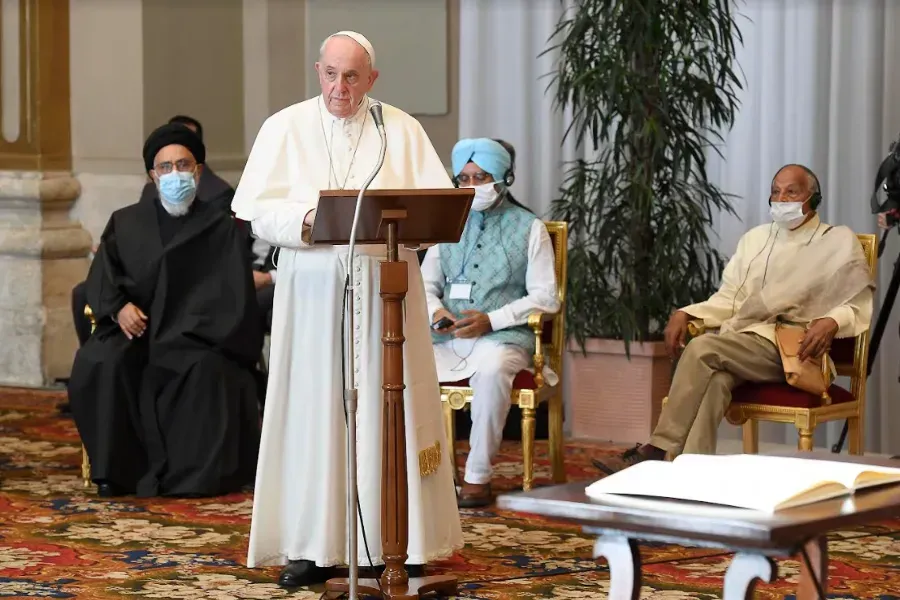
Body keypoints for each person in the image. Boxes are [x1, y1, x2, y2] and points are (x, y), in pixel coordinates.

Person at [231, 30, 463, 588]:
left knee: (394, 411)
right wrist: (309, 224)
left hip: (389, 293)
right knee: (315, 413)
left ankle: (400, 541)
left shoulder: (400, 130)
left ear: (371, 79)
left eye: (352, 76)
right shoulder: (284, 127)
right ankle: (312, 545)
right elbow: (256, 210)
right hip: (313, 293)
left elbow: (435, 207)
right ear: (318, 71)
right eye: (331, 74)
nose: (341, 87)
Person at [591, 164, 875, 474]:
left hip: (796, 350)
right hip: (744, 340)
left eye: (791, 192)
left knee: (702, 349)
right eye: (775, 192)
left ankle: (656, 448)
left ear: (814, 198)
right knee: (715, 379)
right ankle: (692, 478)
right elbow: (731, 299)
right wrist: (686, 312)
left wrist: (831, 321)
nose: (782, 199)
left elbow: (857, 304)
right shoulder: (756, 240)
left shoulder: (836, 241)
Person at [67, 124, 263, 498]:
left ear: (199, 171)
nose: (175, 175)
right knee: (100, 363)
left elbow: (230, 295)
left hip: (199, 337)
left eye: (183, 165)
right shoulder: (126, 221)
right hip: (136, 330)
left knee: (209, 373)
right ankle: (114, 472)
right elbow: (104, 275)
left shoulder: (221, 226)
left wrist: (188, 329)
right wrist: (120, 307)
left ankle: (194, 479)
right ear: (152, 175)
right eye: (165, 167)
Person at [421, 138, 559, 507]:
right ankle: (426, 475)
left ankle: (477, 477)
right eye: (463, 179)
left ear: (502, 177)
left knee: (494, 368)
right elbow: (425, 286)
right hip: (446, 339)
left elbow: (547, 297)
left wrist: (492, 320)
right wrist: (436, 311)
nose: (470, 187)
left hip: (504, 339)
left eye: (479, 177)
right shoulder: (445, 223)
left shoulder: (529, 228)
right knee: (402, 368)